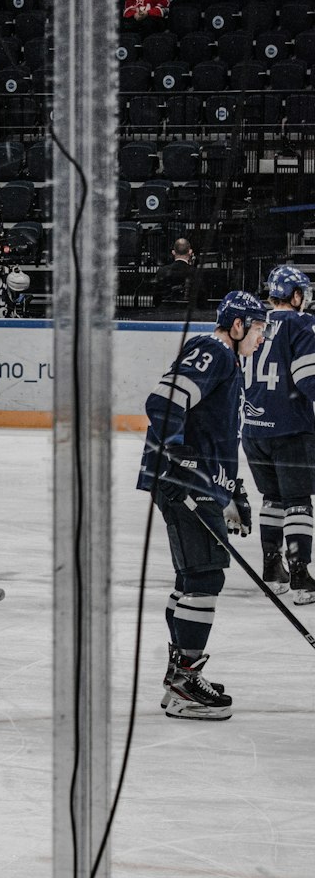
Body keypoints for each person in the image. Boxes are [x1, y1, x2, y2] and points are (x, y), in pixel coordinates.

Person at [137, 289, 268, 719]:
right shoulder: (213, 351)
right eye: (258, 329)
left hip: (194, 481)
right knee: (205, 576)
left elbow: (215, 436)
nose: (261, 338)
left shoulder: (227, 361)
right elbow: (163, 401)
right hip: (184, 481)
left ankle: (180, 673)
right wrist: (174, 465)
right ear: (237, 326)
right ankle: (184, 684)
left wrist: (231, 492)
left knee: (193, 574)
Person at [242, 264, 315, 605]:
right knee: (298, 502)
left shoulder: (253, 322)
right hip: (290, 428)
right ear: (295, 295)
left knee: (272, 498)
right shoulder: (301, 323)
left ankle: (273, 571)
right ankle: (301, 577)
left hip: (254, 430)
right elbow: (306, 378)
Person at [153, 237, 196, 308]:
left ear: (173, 252)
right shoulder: (195, 272)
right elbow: (201, 299)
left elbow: (156, 298)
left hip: (165, 313)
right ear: (190, 252)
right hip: (188, 313)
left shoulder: (162, 271)